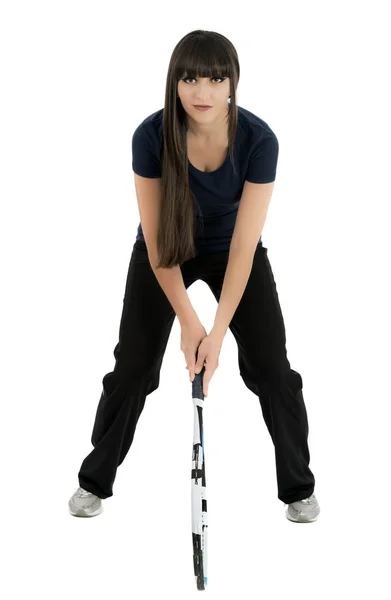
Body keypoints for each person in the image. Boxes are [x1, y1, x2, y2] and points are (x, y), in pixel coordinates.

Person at [69, 29, 320, 523]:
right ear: (175, 82)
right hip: (167, 250)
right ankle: (93, 481)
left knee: (273, 370)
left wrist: (217, 332)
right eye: (189, 78)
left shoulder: (259, 140)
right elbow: (158, 244)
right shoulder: (150, 135)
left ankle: (299, 489)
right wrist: (188, 321)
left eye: (214, 78)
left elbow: (246, 247)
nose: (202, 92)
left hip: (232, 253)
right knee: (133, 369)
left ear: (232, 83)